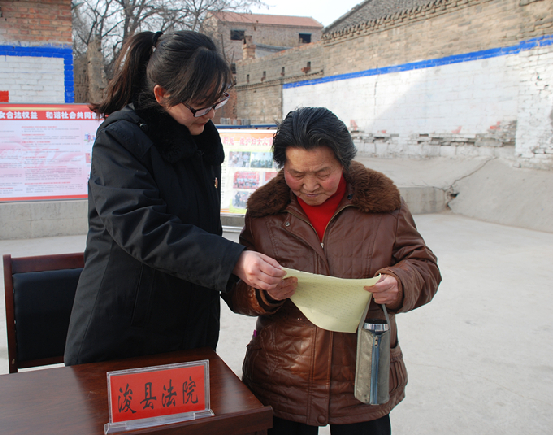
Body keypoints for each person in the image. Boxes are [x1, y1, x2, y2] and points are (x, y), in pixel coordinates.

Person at [64, 30, 286, 366]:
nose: (210, 113)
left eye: (218, 100)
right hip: (125, 327)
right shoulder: (120, 140)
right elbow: (144, 228)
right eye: (201, 103)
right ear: (162, 94)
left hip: (190, 322)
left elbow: (203, 228)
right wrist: (232, 259)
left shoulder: (201, 138)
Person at [224, 107, 442, 435]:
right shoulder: (264, 214)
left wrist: (400, 282)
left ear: (343, 162)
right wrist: (264, 293)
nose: (310, 185)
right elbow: (235, 291)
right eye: (296, 173)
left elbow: (424, 265)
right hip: (284, 377)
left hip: (363, 372)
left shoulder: (383, 205)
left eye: (322, 173)